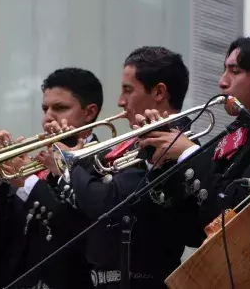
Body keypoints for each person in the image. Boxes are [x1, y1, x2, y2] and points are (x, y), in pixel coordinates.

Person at [44, 46, 202, 289]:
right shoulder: (136, 143)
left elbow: (109, 201)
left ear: (159, 92)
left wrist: (70, 162)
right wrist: (72, 157)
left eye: (128, 90)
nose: (120, 101)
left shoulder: (176, 141)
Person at [136, 35, 250, 233]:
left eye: (235, 71)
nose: (222, 82)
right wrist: (159, 158)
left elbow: (236, 209)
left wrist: (190, 153)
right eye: (224, 70)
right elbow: (188, 220)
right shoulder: (238, 129)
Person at [0, 67, 103, 289]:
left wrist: (29, 184)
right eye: (45, 108)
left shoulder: (101, 162)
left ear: (89, 112)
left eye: (60, 108)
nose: (47, 118)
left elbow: (78, 235)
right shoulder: (37, 164)